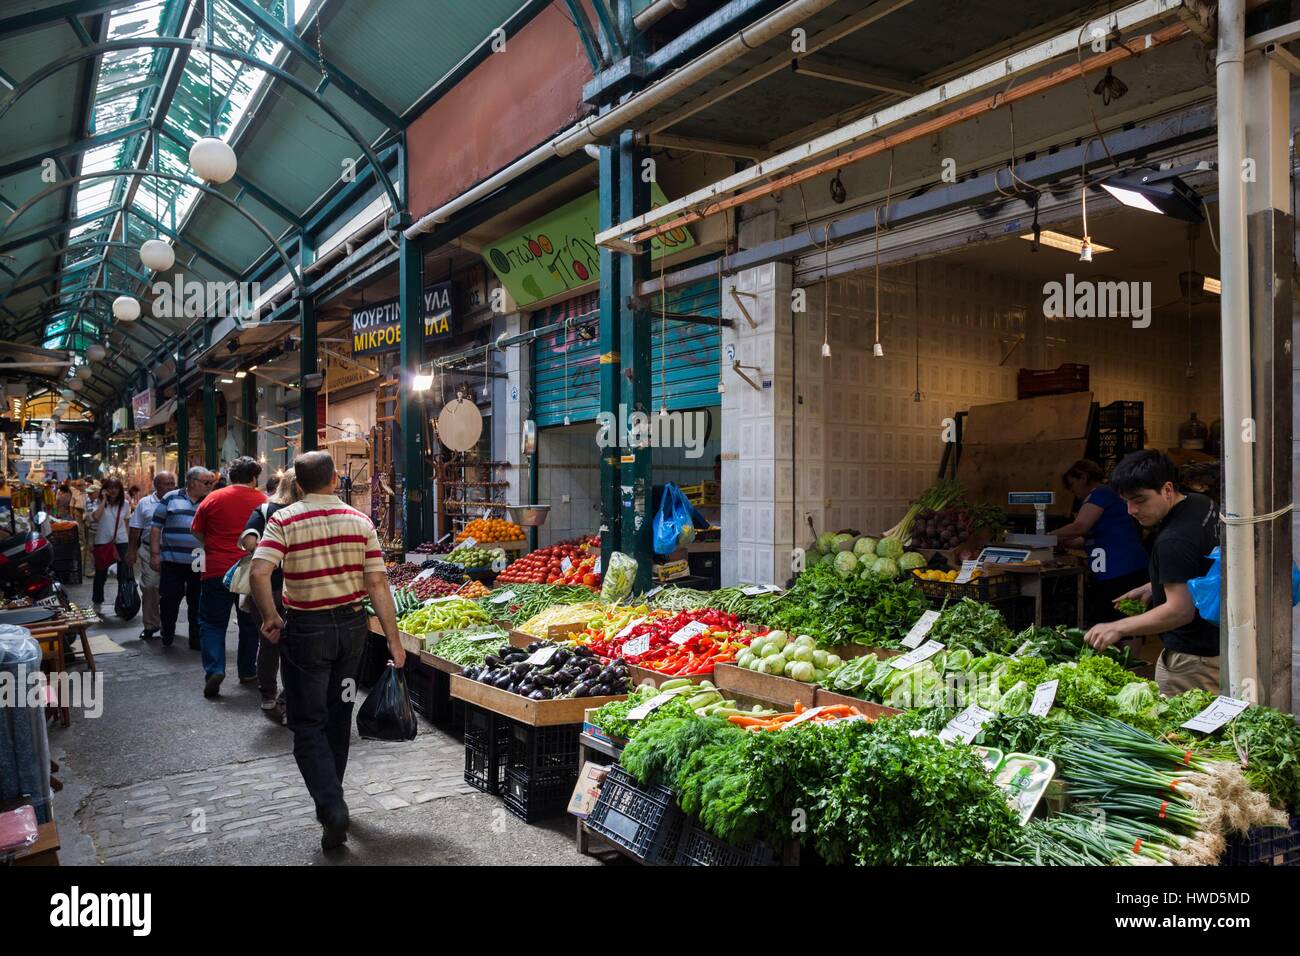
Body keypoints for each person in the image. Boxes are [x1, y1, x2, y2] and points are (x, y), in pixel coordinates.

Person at [250, 451, 403, 852]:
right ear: (336, 479)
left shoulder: (284, 519)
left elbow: (258, 571)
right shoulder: (360, 521)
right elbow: (378, 586)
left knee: (306, 722)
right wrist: (393, 639)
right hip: (352, 633)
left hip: (306, 632)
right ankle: (333, 802)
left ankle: (332, 807)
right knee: (339, 715)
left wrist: (270, 616)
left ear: (298, 484)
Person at [1083, 450, 1220, 695]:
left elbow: (1180, 611)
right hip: (1217, 646)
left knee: (1183, 731)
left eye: (1139, 500)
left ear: (1167, 489)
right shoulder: (1202, 504)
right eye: (1126, 501)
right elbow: (1200, 564)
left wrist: (1119, 628)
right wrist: (1154, 585)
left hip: (1192, 659)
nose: (1131, 510)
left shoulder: (1173, 540)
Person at [191, 456, 266, 699]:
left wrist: (214, 546)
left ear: (230, 476)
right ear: (254, 478)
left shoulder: (212, 498)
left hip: (215, 569)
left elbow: (197, 532)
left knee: (212, 623)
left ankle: (214, 669)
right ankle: (247, 670)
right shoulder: (262, 500)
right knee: (249, 623)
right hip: (249, 571)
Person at [1052, 459, 1149, 624]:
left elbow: (1080, 527)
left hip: (1122, 570)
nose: (1073, 491)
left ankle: (1130, 651)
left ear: (1082, 477)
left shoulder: (1101, 494)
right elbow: (1087, 539)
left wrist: (1044, 537)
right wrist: (1060, 542)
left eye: (1072, 484)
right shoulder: (1102, 496)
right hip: (1111, 572)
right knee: (1114, 618)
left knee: (1125, 619)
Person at [240, 467, 300, 722]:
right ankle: (287, 698)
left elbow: (249, 540)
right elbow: (250, 541)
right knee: (295, 646)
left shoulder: (264, 510)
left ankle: (269, 697)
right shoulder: (288, 512)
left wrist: (268, 553)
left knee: (269, 643)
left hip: (263, 590)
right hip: (286, 589)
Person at [151, 467, 213, 649]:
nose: (210, 486)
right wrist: (155, 554)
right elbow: (156, 526)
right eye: (206, 482)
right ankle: (167, 633)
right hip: (172, 559)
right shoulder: (171, 498)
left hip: (197, 558)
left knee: (197, 600)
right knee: (169, 599)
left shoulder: (210, 500)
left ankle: (196, 639)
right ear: (192, 482)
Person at [127, 472, 177, 641]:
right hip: (149, 550)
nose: (170, 487)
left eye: (172, 483)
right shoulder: (145, 503)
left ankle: (168, 624)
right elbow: (135, 528)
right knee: (149, 586)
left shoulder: (179, 500)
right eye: (166, 484)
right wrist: (131, 551)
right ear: (156, 486)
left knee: (172, 591)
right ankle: (151, 624)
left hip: (173, 552)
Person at [90, 478, 130, 611]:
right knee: (100, 574)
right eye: (110, 488)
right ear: (105, 490)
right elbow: (95, 517)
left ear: (120, 490)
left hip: (121, 541)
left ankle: (122, 603)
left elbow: (126, 523)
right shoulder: (98, 503)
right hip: (102, 541)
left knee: (122, 574)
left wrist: (129, 543)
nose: (113, 490)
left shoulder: (125, 504)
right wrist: (103, 500)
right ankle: (97, 602)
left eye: (116, 488)